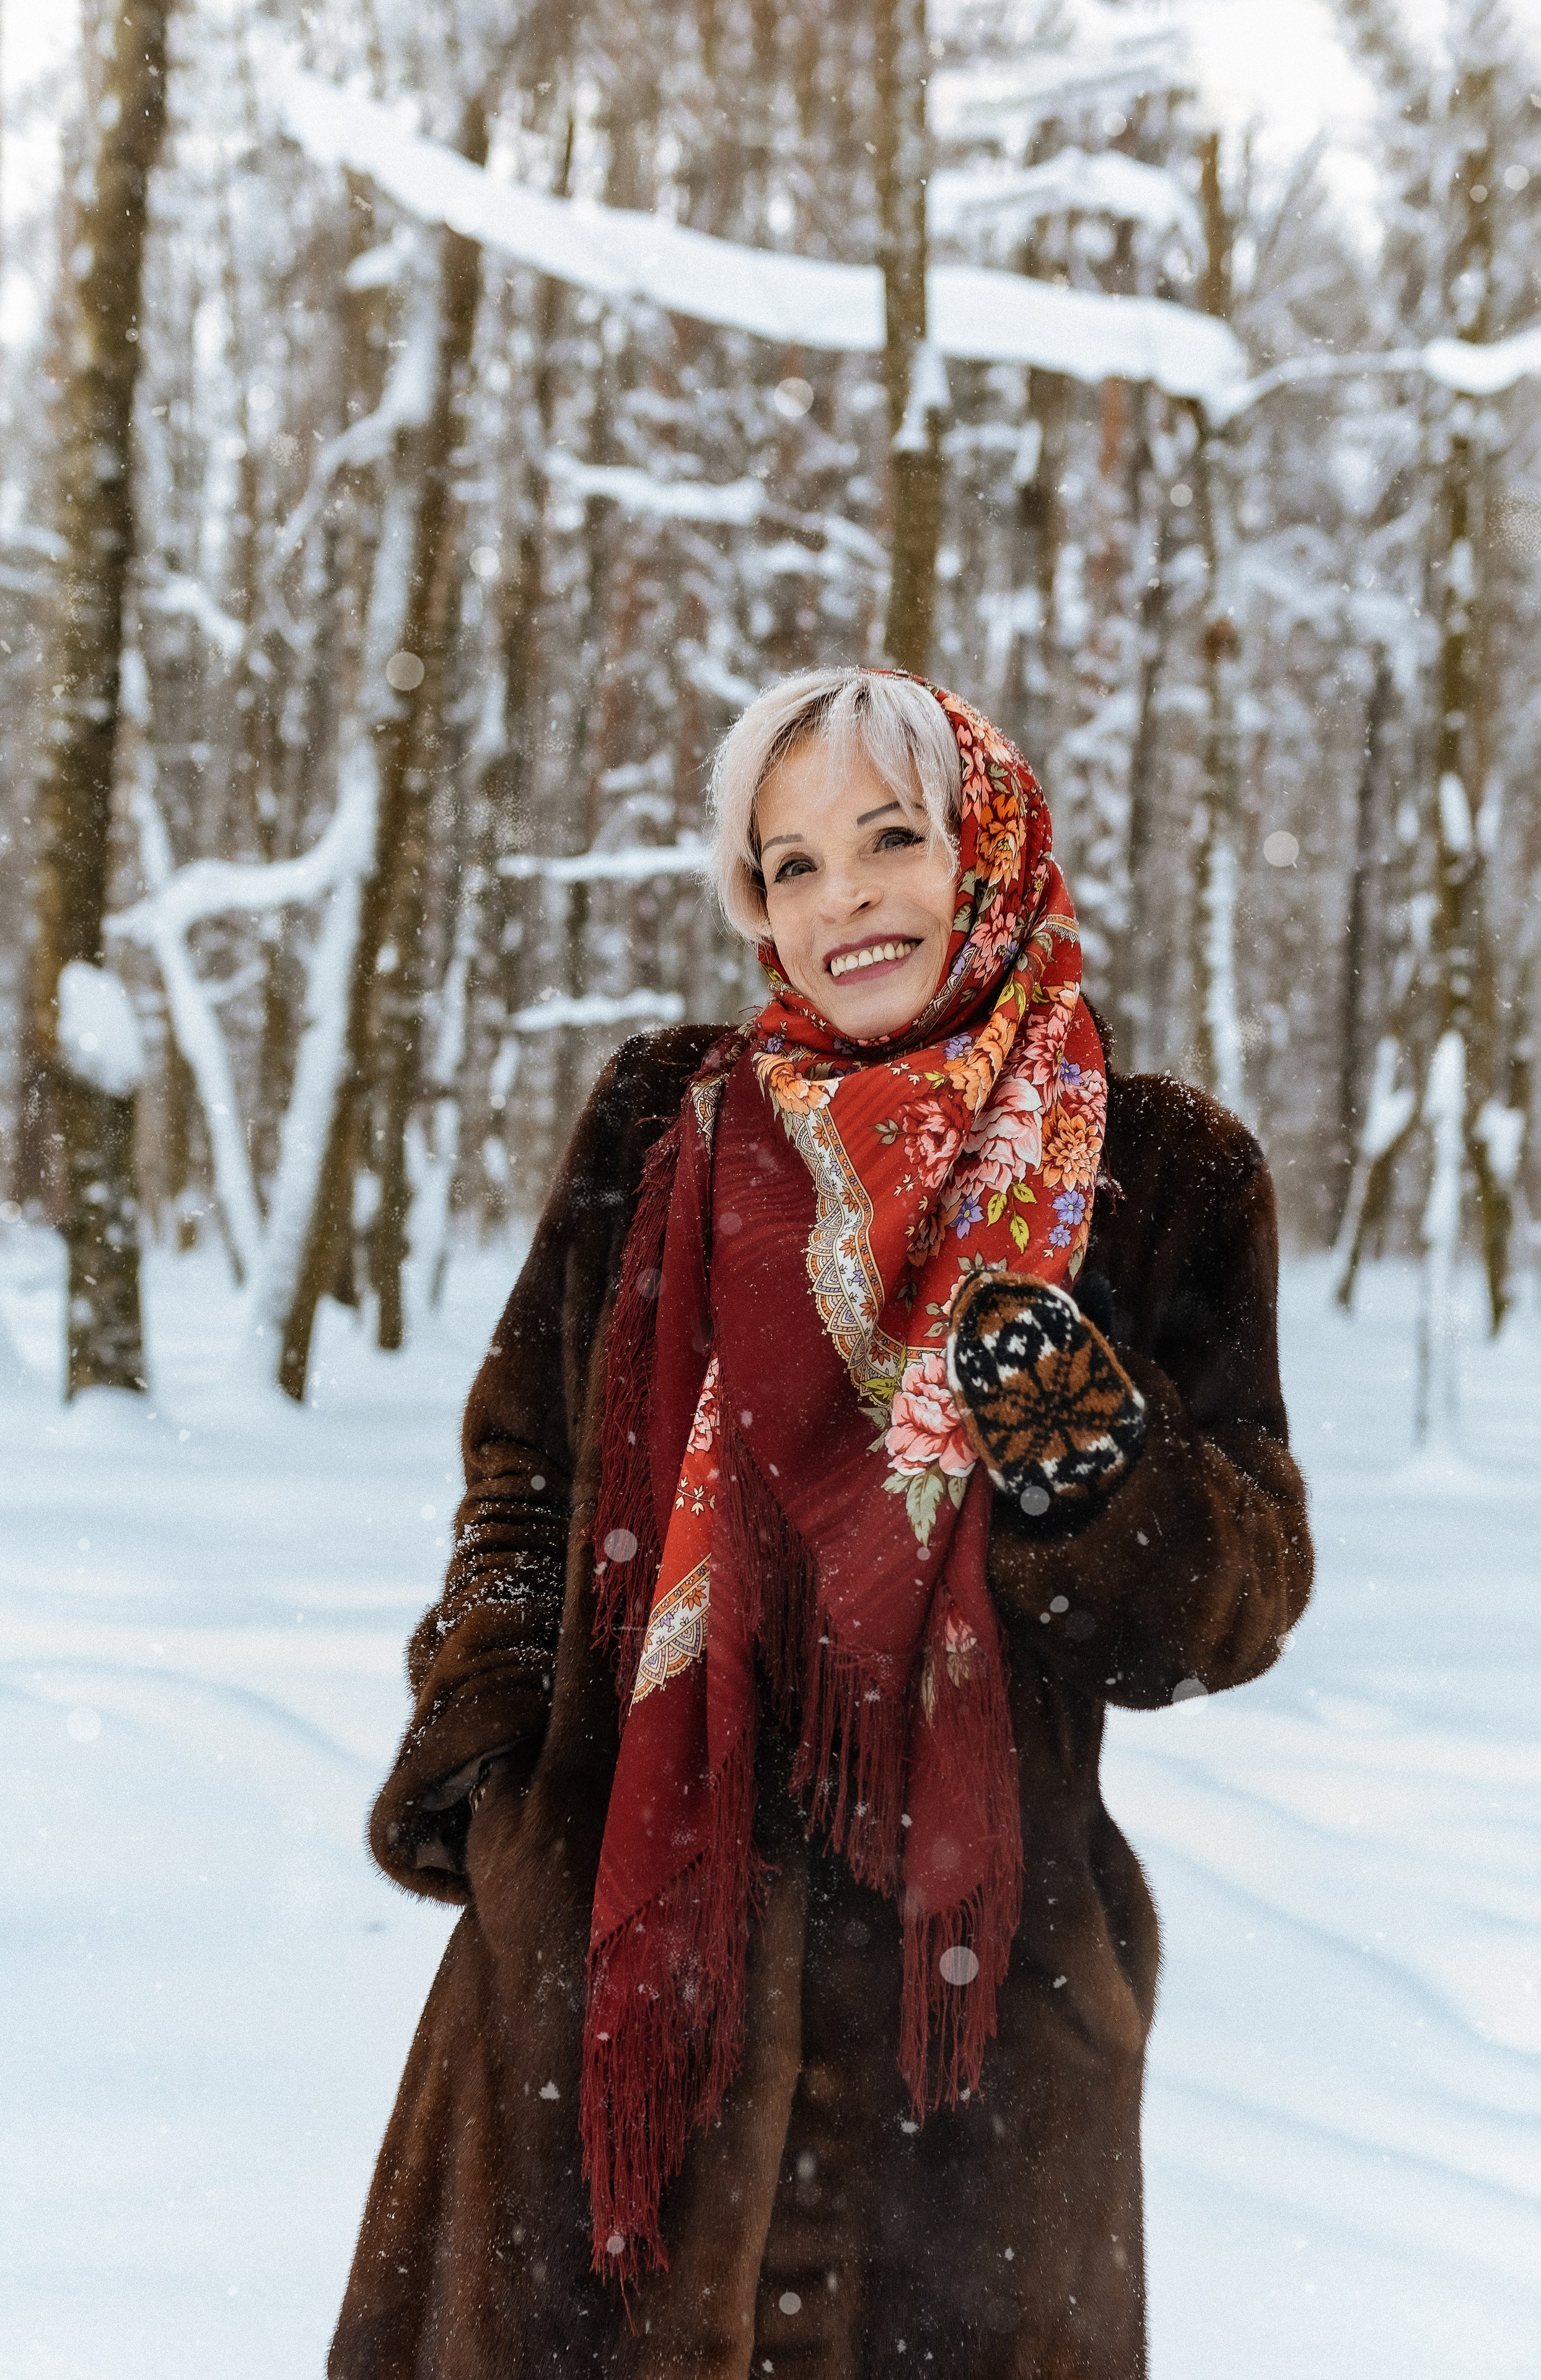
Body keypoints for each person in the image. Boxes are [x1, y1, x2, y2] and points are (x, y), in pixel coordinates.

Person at [329, 668, 1313, 2380]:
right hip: (613, 1990)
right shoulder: (668, 1128)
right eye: (788, 865)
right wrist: (502, 1789)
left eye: (888, 838)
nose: (843, 898)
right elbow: (527, 1481)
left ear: (986, 853)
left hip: (971, 2040)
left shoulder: (1155, 1173)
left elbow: (1231, 1606)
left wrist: (1084, 1453)